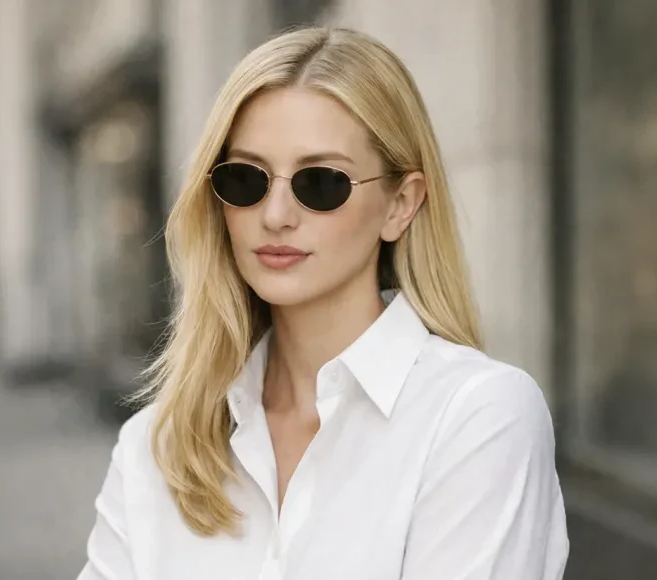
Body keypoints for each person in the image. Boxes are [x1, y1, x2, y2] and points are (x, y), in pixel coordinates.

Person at [76, 26, 568, 580]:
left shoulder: (477, 418)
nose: (276, 214)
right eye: (246, 178)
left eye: (321, 182)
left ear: (400, 205)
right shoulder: (156, 445)